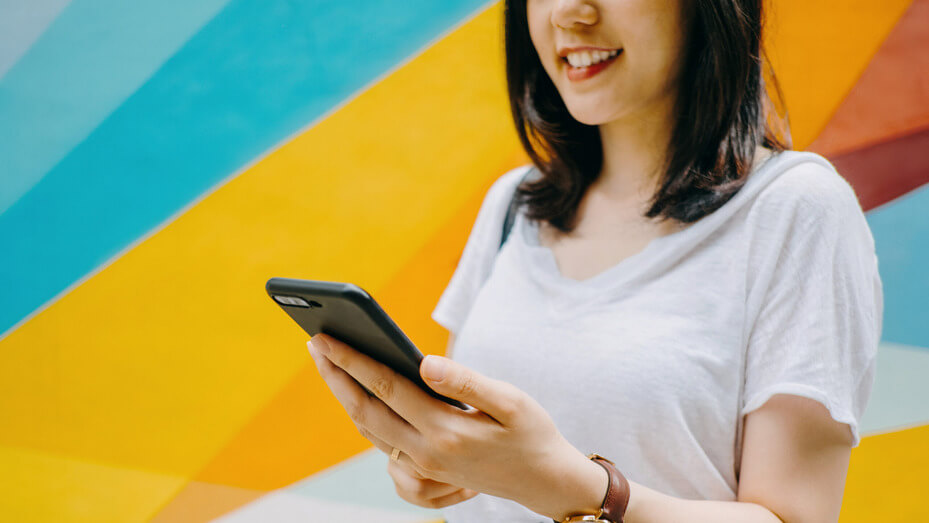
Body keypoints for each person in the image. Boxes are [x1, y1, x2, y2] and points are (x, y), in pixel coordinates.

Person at [305, 0, 883, 521]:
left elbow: (793, 516)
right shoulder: (513, 206)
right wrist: (429, 462)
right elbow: (471, 446)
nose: (568, 12)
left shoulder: (795, 209)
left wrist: (575, 488)